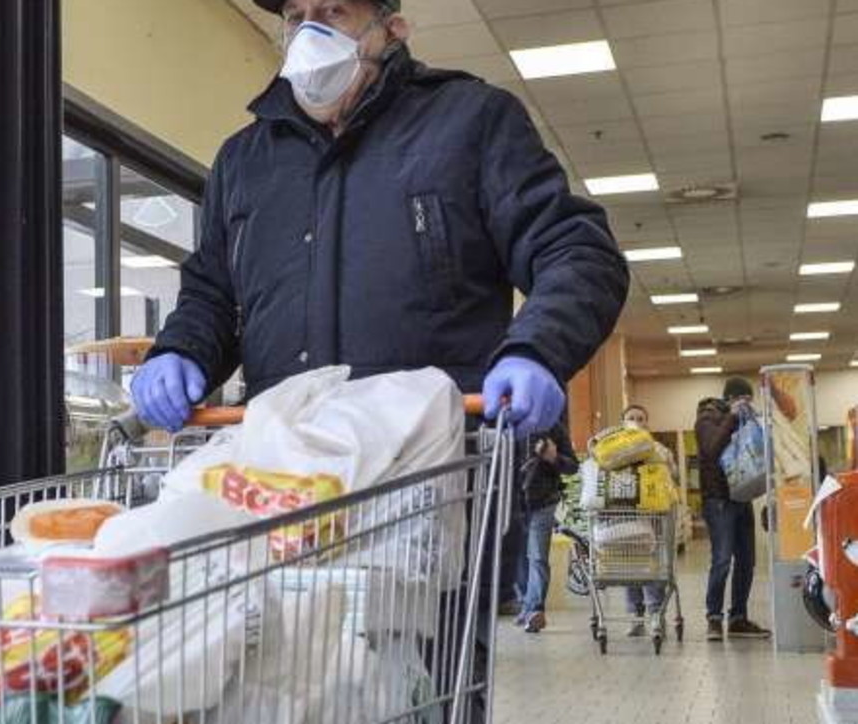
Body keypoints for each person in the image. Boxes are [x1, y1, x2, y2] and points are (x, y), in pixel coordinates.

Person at [131, 0, 629, 718]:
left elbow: (574, 249)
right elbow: (212, 292)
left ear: (392, 28)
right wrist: (179, 349)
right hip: (282, 479)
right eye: (296, 13)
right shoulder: (245, 159)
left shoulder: (469, 121)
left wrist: (535, 349)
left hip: (427, 482)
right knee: (275, 682)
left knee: (425, 689)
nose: (309, 30)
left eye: (333, 10)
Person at [695, 378, 772, 641]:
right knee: (722, 560)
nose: (747, 404)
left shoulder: (743, 419)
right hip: (718, 500)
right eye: (744, 400)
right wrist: (731, 418)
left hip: (742, 496)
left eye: (750, 400)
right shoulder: (707, 418)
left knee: (747, 561)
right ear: (731, 399)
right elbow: (711, 450)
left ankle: (738, 618)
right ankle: (714, 618)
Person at [513, 424, 578, 633]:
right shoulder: (509, 423)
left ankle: (534, 610)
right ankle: (526, 604)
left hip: (544, 502)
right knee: (518, 557)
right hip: (512, 504)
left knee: (537, 556)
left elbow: (572, 467)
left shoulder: (553, 427)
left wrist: (554, 457)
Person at [620, 404, 676, 637]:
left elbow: (672, 474)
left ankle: (655, 613)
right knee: (629, 565)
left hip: (653, 516)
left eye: (640, 418)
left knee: (652, 565)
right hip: (625, 515)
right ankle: (635, 614)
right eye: (631, 418)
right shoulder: (615, 449)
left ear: (647, 423)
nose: (636, 421)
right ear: (623, 423)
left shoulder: (658, 449)